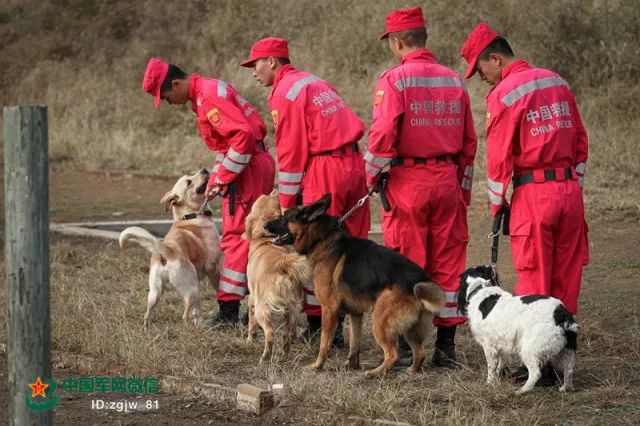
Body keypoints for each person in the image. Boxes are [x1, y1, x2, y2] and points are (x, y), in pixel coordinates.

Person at [460, 23, 589, 383]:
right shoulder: (556, 81)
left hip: (534, 194)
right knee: (567, 275)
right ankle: (563, 356)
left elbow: (500, 160)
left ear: (495, 58)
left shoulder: (504, 93)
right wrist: (571, 184)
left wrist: (497, 205)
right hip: (570, 193)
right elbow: (581, 141)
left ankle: (541, 364)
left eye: (480, 69)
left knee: (535, 276)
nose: (481, 78)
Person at [365, 7, 477, 368]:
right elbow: (469, 142)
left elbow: (383, 135)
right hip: (446, 180)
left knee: (406, 265)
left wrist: (370, 176)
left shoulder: (394, 79)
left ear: (397, 42)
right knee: (448, 262)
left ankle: (400, 350)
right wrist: (462, 192)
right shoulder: (454, 80)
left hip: (408, 182)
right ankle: (446, 347)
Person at [240, 37, 371, 343]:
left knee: (316, 248)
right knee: (351, 246)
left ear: (273, 61)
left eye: (256, 63)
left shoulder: (284, 92)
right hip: (354, 164)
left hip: (326, 169)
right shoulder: (313, 82)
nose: (253, 71)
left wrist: (287, 207)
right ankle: (351, 321)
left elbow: (290, 151)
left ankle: (322, 330)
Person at [142, 58, 275, 327]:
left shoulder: (208, 97)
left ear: (176, 84)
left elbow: (241, 138)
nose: (169, 103)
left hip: (247, 169)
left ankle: (230, 313)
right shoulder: (207, 92)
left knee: (238, 238)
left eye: (166, 97)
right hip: (249, 165)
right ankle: (252, 307)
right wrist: (217, 177)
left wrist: (224, 176)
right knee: (250, 236)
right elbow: (225, 145)